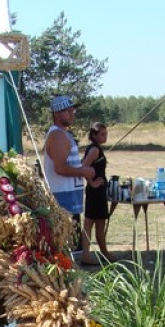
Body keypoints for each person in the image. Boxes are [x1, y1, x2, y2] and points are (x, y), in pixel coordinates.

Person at [42, 95, 94, 255]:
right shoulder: (57, 135)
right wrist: (83, 171)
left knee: (73, 246)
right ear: (57, 114)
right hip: (62, 196)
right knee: (68, 248)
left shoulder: (64, 134)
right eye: (67, 111)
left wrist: (82, 169)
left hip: (69, 195)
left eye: (73, 110)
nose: (72, 114)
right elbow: (60, 168)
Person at [80, 122, 115, 264]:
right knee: (91, 223)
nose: (105, 137)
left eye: (106, 134)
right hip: (95, 191)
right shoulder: (94, 149)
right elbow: (83, 167)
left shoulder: (94, 148)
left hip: (98, 190)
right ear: (94, 135)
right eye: (102, 134)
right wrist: (92, 182)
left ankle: (102, 253)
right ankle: (88, 256)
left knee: (99, 222)